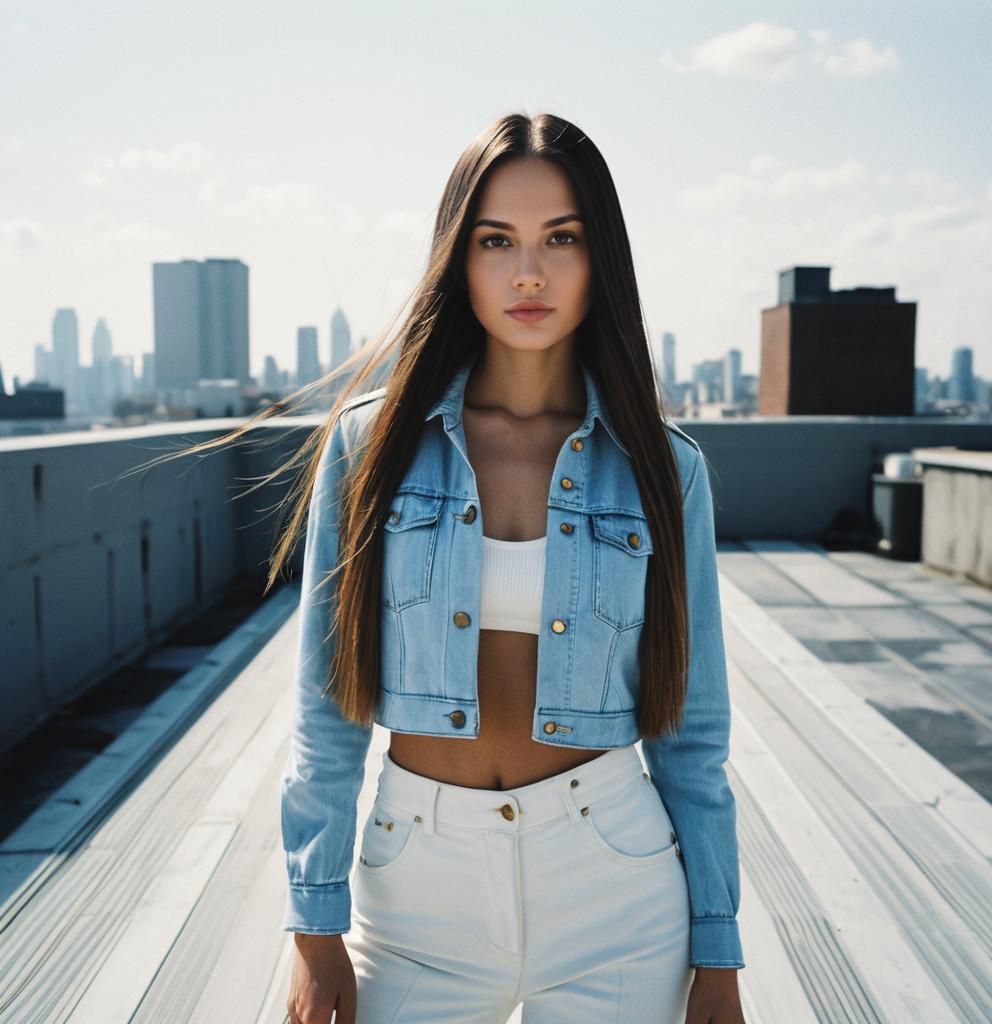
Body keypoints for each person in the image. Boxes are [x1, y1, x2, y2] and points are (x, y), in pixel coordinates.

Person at [279, 112, 746, 1024]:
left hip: (615, 881)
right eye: (497, 240)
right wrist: (312, 920)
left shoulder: (665, 468)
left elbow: (693, 735)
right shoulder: (370, 447)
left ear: (598, 256)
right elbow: (324, 710)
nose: (528, 272)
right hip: (417, 888)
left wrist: (719, 948)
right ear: (460, 257)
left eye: (560, 239)